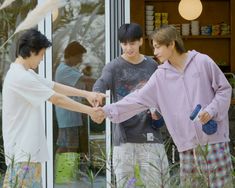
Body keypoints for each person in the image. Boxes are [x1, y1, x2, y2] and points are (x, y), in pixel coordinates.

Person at [98, 25, 234, 187]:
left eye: (157, 47)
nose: (155, 52)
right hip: (187, 146)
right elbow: (137, 99)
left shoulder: (202, 61)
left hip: (214, 140)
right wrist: (106, 111)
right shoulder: (161, 75)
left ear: (171, 44)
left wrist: (211, 111)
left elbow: (224, 90)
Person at [2, 29, 104, 187]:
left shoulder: (25, 73)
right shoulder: (20, 77)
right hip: (23, 157)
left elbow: (54, 87)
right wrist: (90, 111)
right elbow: (57, 98)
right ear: (31, 51)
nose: (42, 60)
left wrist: (86, 94)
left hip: (27, 156)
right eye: (41, 54)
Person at [93, 23, 169, 188]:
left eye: (132, 43)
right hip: (124, 138)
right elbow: (100, 84)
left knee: (157, 183)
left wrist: (159, 114)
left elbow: (162, 96)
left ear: (141, 41)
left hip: (151, 136)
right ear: (120, 44)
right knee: (124, 185)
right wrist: (97, 98)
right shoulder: (113, 67)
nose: (128, 48)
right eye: (124, 43)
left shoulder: (152, 65)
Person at [54, 41, 89, 183]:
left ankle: (63, 175)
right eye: (79, 56)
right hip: (67, 116)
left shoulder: (71, 68)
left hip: (72, 115)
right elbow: (85, 80)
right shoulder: (64, 70)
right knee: (69, 146)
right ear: (71, 55)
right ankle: (65, 177)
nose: (80, 60)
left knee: (66, 145)